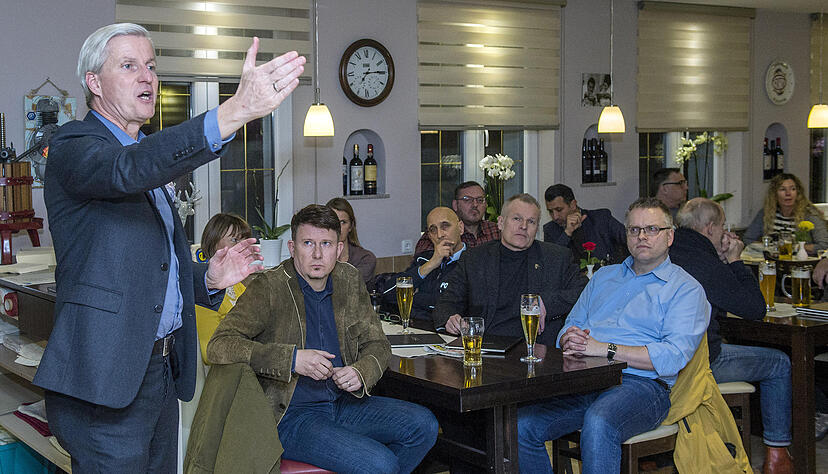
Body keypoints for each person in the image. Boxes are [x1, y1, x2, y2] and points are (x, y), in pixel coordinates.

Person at [34, 23, 304, 472]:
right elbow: (127, 169)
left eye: (152, 66)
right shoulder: (74, 147)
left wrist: (209, 278)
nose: (148, 77)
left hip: (158, 371)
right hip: (104, 381)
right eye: (129, 66)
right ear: (94, 84)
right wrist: (234, 110)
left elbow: (155, 269)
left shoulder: (140, 154)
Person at [206, 204, 438, 473]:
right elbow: (219, 346)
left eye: (326, 244)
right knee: (380, 463)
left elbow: (377, 344)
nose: (317, 254)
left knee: (425, 426)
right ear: (293, 248)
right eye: (308, 243)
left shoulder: (349, 279)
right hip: (290, 416)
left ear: (339, 249)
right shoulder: (269, 286)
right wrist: (291, 359)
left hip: (344, 403)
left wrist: (361, 372)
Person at [517, 197, 710, 474]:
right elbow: (569, 326)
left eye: (652, 229)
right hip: (583, 379)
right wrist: (568, 338)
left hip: (642, 387)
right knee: (520, 425)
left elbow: (672, 357)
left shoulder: (685, 289)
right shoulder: (603, 277)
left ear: (670, 237)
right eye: (634, 229)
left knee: (599, 421)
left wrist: (603, 348)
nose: (642, 236)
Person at [670, 198, 793, 473]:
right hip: (699, 363)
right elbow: (754, 309)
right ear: (711, 228)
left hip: (661, 361)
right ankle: (777, 455)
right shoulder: (704, 261)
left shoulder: (670, 249)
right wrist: (736, 260)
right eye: (723, 227)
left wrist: (721, 260)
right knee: (779, 363)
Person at [434, 193, 587, 345]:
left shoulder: (556, 257)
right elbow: (446, 303)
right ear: (500, 223)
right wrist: (449, 318)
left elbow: (585, 291)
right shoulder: (475, 258)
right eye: (517, 219)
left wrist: (546, 302)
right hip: (487, 347)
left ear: (536, 228)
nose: (524, 226)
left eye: (531, 221)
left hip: (537, 349)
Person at [381, 206, 467, 323]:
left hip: (448, 333)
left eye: (445, 226)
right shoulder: (424, 259)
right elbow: (388, 294)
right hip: (417, 329)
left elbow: (454, 306)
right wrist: (431, 264)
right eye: (433, 230)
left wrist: (414, 298)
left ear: (460, 228)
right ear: (429, 236)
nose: (440, 234)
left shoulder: (473, 261)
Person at [196, 213, 255, 363]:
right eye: (234, 240)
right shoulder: (203, 290)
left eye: (245, 240)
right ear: (213, 242)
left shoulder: (239, 286)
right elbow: (209, 351)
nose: (242, 246)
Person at [743, 173, 828, 254]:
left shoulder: (810, 215)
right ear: (774, 194)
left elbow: (823, 245)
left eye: (792, 189)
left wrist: (796, 248)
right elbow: (748, 238)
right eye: (783, 189)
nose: (788, 193)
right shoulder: (766, 213)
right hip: (773, 261)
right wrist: (768, 248)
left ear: (798, 193)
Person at [542, 183, 627, 264]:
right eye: (550, 211)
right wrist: (567, 233)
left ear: (573, 205)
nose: (555, 216)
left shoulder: (601, 218)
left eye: (559, 210)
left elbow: (629, 239)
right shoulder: (550, 230)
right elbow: (551, 262)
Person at [414, 181, 501, 253]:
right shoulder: (437, 235)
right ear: (455, 205)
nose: (475, 205)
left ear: (485, 204)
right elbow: (421, 269)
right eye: (467, 200)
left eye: (480, 200)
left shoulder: (496, 230)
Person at [326, 197, 376, 283]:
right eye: (333, 222)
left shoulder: (365, 258)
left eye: (343, 222)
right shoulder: (318, 256)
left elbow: (348, 285)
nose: (338, 228)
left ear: (351, 226)